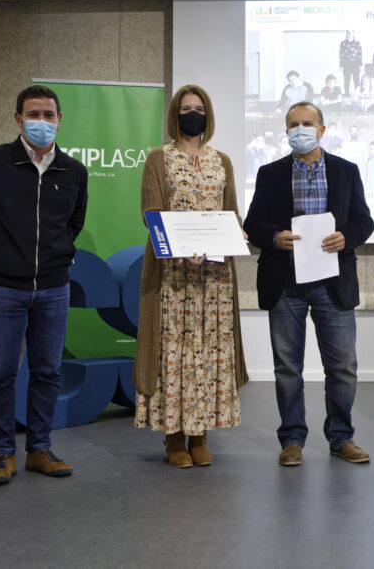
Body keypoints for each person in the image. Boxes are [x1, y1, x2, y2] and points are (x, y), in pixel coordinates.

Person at [0, 84, 88, 485]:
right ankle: (2, 453)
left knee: (48, 371)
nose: (42, 123)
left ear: (60, 120)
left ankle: (39, 449)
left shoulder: (74, 172)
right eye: (34, 115)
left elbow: (73, 225)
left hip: (53, 287)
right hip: (3, 287)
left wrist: (57, 256)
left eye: (49, 115)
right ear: (17, 119)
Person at [244, 101, 374, 467]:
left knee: (343, 368)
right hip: (285, 282)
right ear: (286, 131)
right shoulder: (270, 174)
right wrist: (275, 237)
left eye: (307, 123)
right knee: (288, 368)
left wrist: (345, 237)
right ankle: (292, 440)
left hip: (332, 281)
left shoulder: (346, 171)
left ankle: (341, 438)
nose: (299, 130)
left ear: (322, 129)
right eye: (293, 125)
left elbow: (365, 221)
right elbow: (253, 224)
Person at [133, 85, 249, 468]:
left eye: (199, 109)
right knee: (174, 354)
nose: (193, 115)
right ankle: (173, 439)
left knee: (208, 354)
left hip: (214, 281)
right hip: (173, 279)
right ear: (175, 114)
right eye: (186, 109)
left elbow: (231, 212)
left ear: (208, 115)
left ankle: (200, 435)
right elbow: (152, 214)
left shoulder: (223, 161)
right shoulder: (158, 159)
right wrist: (183, 248)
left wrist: (238, 232)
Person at [339, 30, 363, 96]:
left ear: (353, 34)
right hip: (346, 64)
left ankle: (357, 94)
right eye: (348, 33)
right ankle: (347, 94)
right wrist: (341, 66)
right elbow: (341, 55)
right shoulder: (343, 43)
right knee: (347, 80)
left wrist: (360, 65)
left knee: (356, 80)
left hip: (355, 64)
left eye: (351, 33)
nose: (350, 34)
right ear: (346, 34)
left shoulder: (357, 43)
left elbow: (360, 54)